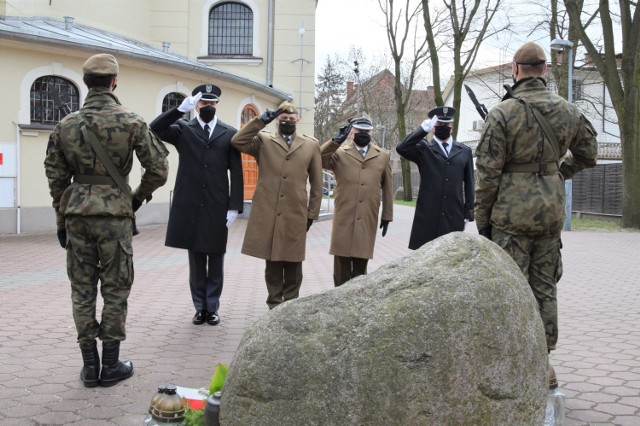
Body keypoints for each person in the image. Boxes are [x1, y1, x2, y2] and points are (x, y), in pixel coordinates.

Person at [44, 53, 169, 388]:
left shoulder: (66, 125)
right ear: (114, 81)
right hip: (115, 216)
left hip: (77, 217)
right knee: (115, 288)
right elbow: (158, 169)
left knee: (82, 289)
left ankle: (89, 367)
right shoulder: (131, 121)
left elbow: (56, 179)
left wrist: (61, 219)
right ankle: (111, 366)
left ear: (86, 83)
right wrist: (136, 197)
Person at [474, 41, 598, 359]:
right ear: (544, 70)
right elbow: (589, 154)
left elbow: (488, 173)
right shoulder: (568, 110)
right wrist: (558, 174)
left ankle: (509, 358)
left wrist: (482, 220)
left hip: (510, 216)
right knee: (544, 285)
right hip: (549, 214)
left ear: (516, 71)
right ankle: (543, 361)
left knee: (509, 287)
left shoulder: (503, 113)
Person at [150, 84, 243, 326]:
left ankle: (212, 307)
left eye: (212, 104)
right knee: (196, 259)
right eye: (203, 103)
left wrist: (234, 206)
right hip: (190, 203)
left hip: (217, 203)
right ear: (197, 105)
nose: (208, 107)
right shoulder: (183, 129)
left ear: (216, 105)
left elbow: (237, 172)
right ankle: (199, 307)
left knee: (216, 256)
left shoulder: (229, 132)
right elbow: (155, 128)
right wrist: (179, 109)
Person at [231, 101, 322, 309]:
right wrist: (261, 120)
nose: (287, 122)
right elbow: (238, 141)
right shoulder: (263, 141)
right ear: (276, 121)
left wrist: (312, 214)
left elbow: (317, 183)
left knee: (293, 260)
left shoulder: (310, 144)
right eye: (283, 119)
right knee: (272, 259)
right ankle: (274, 304)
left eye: (291, 119)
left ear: (298, 120)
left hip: (295, 211)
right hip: (269, 210)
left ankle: (290, 305)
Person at [320, 115, 393, 286]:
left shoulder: (382, 155)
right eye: (360, 130)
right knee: (341, 266)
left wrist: (387, 215)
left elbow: (388, 188)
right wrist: (335, 141)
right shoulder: (339, 153)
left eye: (367, 131)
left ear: (372, 132)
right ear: (352, 132)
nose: (363, 133)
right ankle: (338, 300)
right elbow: (320, 158)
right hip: (344, 216)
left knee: (361, 268)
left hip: (367, 216)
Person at [396, 106, 475, 250]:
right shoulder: (423, 148)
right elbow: (402, 148)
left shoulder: (464, 151)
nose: (444, 127)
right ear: (433, 127)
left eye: (447, 124)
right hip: (428, 214)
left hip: (454, 214)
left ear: (452, 126)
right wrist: (421, 130)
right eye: (439, 124)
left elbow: (470, 183)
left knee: (452, 258)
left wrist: (468, 212)